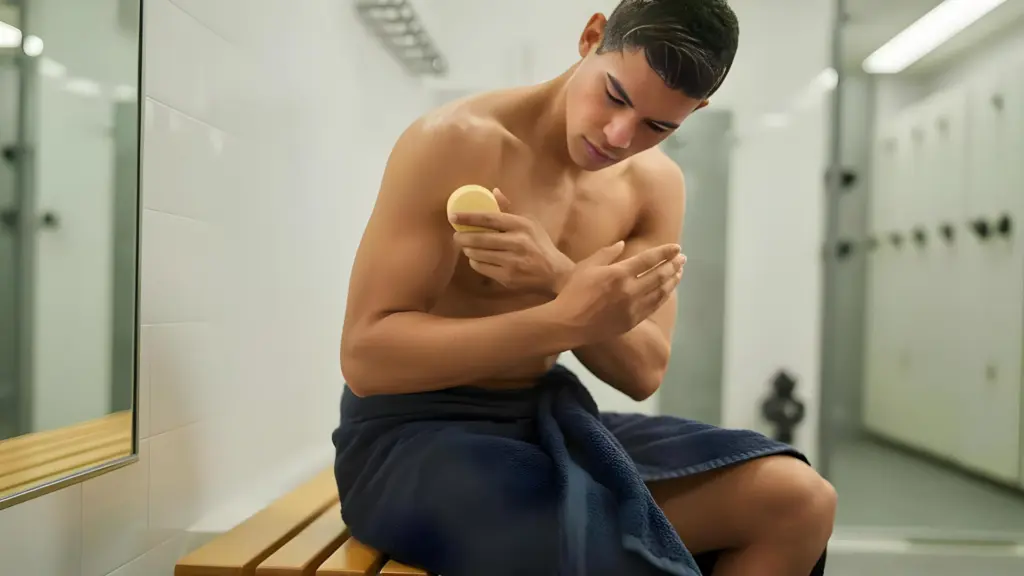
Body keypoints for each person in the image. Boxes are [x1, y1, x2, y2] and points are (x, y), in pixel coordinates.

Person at [334, 1, 836, 575]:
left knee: (799, 502)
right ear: (591, 36)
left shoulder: (654, 187)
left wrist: (558, 277)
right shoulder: (458, 142)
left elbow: (642, 372)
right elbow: (367, 359)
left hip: (546, 416)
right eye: (616, 96)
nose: (619, 135)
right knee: (584, 548)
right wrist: (564, 319)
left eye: (658, 125)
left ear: (696, 111)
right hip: (413, 435)